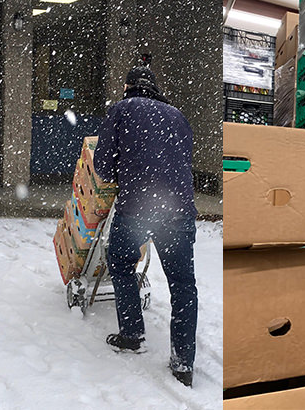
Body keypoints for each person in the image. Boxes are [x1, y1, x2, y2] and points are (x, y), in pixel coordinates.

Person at [93, 61, 198, 387]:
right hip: (179, 211)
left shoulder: (121, 109)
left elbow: (103, 168)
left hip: (137, 207)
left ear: (128, 88)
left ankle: (133, 333)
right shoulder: (178, 116)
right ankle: (183, 363)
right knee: (183, 284)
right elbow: (183, 162)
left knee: (121, 264)